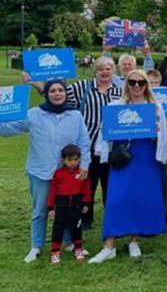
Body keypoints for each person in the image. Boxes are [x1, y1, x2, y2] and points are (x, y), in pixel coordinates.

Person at [24, 56, 123, 230]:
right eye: (101, 69)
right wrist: (35, 84)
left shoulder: (120, 90)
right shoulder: (82, 87)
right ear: (95, 71)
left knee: (110, 186)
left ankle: (111, 220)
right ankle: (84, 220)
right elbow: (57, 95)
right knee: (85, 186)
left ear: (113, 70)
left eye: (108, 68)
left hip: (110, 148)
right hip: (87, 146)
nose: (105, 72)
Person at [0, 79, 91, 263]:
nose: (57, 94)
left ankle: (69, 242)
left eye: (60, 90)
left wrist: (85, 166)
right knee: (40, 210)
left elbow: (84, 142)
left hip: (68, 173)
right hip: (40, 171)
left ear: (65, 93)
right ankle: (36, 246)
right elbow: (9, 129)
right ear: (47, 94)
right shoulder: (34, 114)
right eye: (53, 91)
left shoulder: (75, 115)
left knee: (69, 208)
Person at [89, 70, 167, 263]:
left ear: (146, 85)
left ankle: (134, 239)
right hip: (123, 157)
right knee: (116, 199)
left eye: (140, 83)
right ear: (127, 84)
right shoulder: (115, 106)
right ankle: (109, 246)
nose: (136, 86)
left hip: (146, 157)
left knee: (140, 198)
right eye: (132, 82)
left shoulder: (155, 107)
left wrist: (156, 133)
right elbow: (104, 131)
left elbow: (164, 135)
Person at [47, 144, 92, 264]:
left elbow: (87, 189)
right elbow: (53, 191)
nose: (73, 162)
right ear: (63, 160)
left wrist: (86, 203)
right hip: (61, 206)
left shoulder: (83, 173)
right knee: (58, 229)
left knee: (76, 228)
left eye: (76, 159)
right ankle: (55, 252)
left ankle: (78, 249)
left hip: (76, 206)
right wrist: (51, 207)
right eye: (70, 160)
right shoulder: (58, 174)